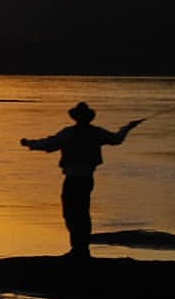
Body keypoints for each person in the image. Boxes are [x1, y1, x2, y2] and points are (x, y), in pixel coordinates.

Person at [20, 102, 144, 259]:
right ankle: (81, 249)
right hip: (86, 179)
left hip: (73, 179)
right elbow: (116, 139)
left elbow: (49, 144)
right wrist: (128, 127)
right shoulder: (95, 133)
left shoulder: (69, 133)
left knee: (71, 213)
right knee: (82, 213)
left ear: (75, 118)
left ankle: (78, 249)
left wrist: (29, 143)